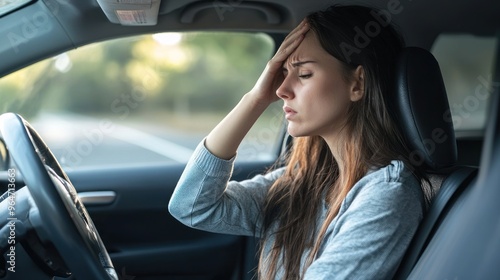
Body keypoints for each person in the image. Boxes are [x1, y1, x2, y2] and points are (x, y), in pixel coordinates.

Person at [169, 4, 428, 280]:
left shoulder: (386, 195)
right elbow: (192, 206)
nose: (280, 90)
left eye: (303, 74)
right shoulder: (303, 182)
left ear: (357, 84)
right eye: (283, 74)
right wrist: (254, 99)